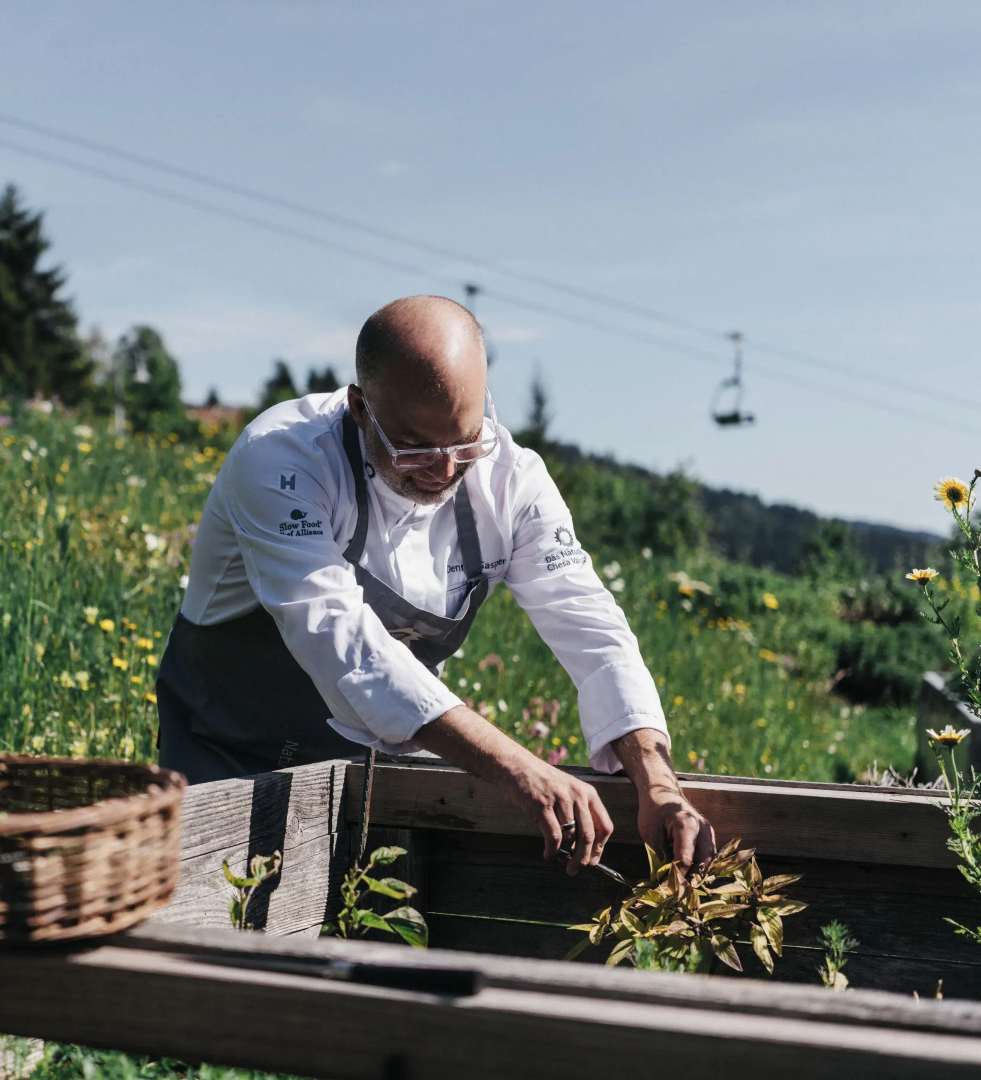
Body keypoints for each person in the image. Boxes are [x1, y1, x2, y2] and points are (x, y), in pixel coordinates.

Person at [156, 295, 715, 873]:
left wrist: (657, 783)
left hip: (375, 765)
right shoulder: (281, 459)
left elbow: (591, 628)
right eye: (415, 447)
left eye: (466, 440)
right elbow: (342, 642)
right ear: (360, 407)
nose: (446, 469)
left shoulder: (514, 483)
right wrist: (516, 766)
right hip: (223, 747)